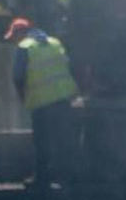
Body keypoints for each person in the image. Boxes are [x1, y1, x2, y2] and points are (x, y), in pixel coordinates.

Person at [6, 17, 79, 189]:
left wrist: (22, 98)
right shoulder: (55, 42)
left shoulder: (24, 48)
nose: (14, 41)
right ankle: (68, 178)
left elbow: (18, 77)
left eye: (14, 37)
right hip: (63, 99)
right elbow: (69, 66)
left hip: (42, 102)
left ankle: (42, 179)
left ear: (20, 33)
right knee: (63, 140)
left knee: (42, 142)